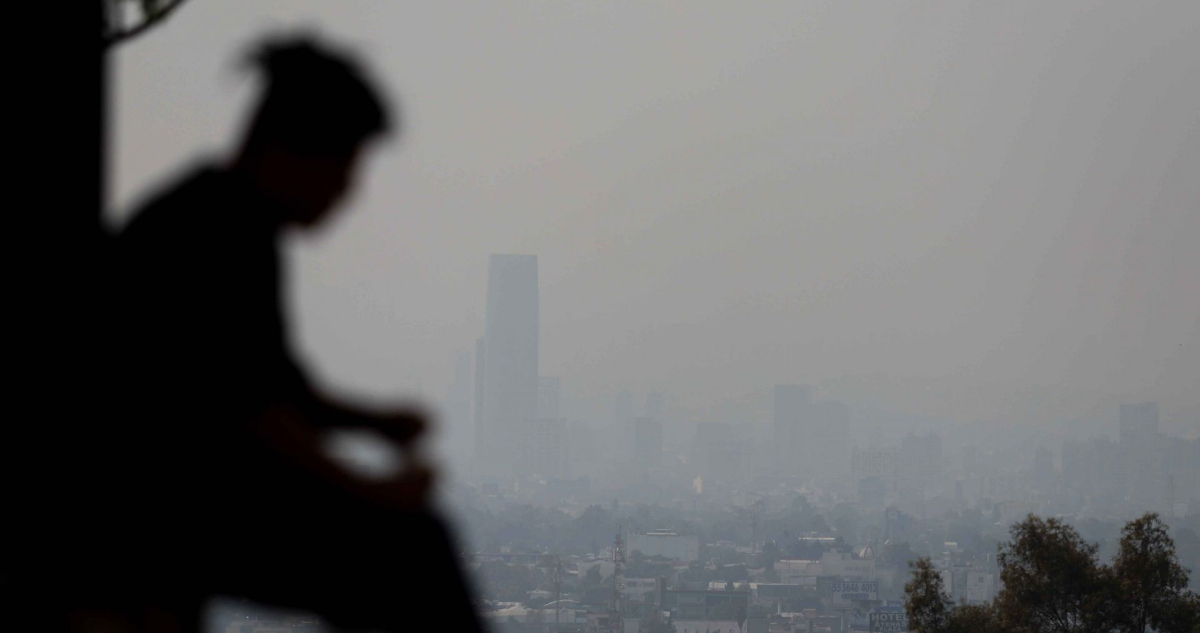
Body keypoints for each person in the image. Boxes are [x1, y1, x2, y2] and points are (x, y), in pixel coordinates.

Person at [103, 35, 481, 633]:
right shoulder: (217, 235)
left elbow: (274, 389)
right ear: (286, 150)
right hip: (160, 512)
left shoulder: (223, 220)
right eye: (342, 170)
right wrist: (377, 491)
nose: (346, 196)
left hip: (173, 499)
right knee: (413, 549)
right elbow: (254, 413)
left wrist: (372, 422)